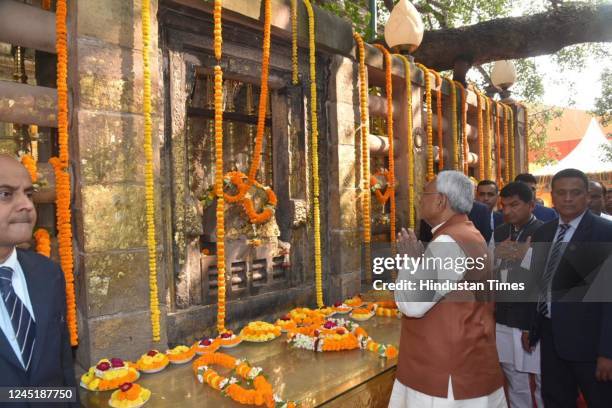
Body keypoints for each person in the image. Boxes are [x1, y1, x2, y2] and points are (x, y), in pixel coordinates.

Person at [390, 171, 506, 408]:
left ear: (441, 200)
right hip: (468, 357)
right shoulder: (469, 233)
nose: (419, 200)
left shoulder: (448, 242)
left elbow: (412, 305)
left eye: (424, 194)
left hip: (446, 372)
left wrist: (409, 261)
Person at [528, 168, 612, 407]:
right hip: (550, 335)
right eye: (561, 193)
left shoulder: (604, 233)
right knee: (555, 399)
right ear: (552, 196)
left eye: (575, 193)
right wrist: (531, 326)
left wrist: (608, 351)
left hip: (590, 343)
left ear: (587, 196)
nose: (567, 199)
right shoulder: (543, 232)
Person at [0, 155, 77, 405]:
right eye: (5, 194)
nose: (27, 205)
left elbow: (64, 366)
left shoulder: (48, 274)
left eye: (29, 194)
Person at [492, 182, 543, 408]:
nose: (508, 211)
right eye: (504, 206)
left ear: (531, 205)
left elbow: (544, 279)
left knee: (542, 379)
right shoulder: (500, 231)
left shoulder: (545, 230)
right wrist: (495, 256)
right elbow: (487, 270)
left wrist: (524, 255)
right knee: (514, 378)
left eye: (515, 205)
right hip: (504, 314)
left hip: (531, 317)